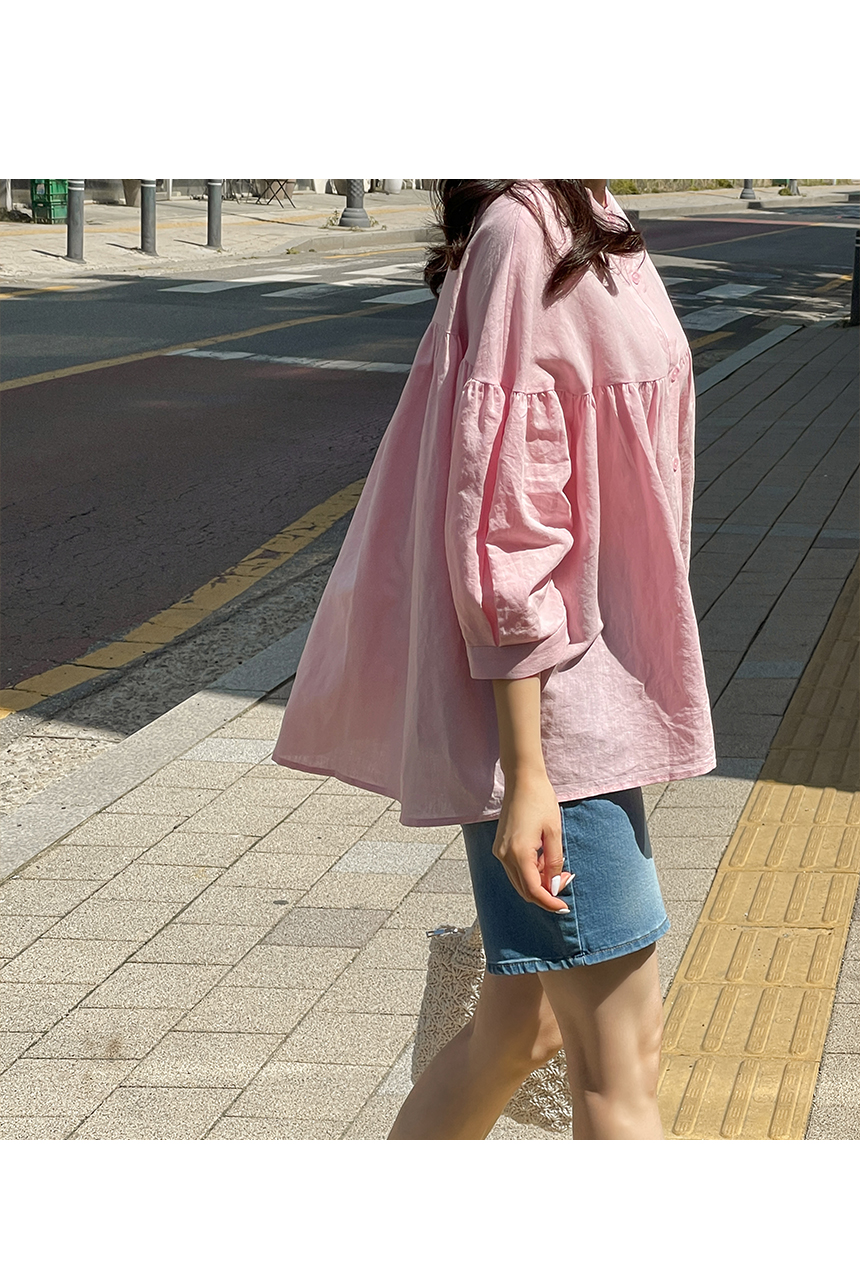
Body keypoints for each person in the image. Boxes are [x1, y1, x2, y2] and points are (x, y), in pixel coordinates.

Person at [272, 180, 716, 1140]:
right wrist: (528, 774)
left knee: (523, 1031)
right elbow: (505, 524)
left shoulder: (590, 212)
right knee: (623, 1066)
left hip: (588, 696)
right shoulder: (522, 233)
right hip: (554, 717)